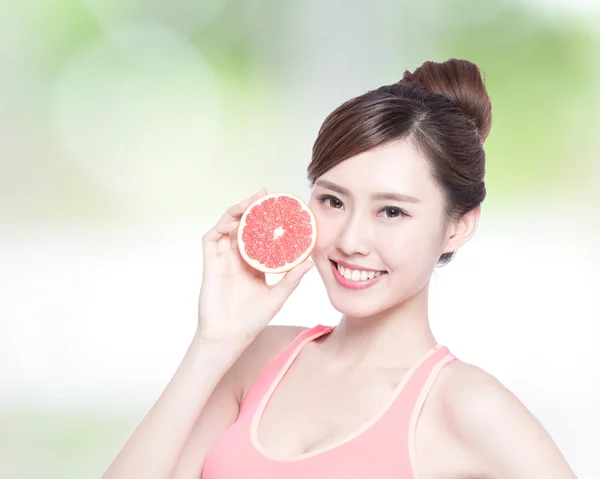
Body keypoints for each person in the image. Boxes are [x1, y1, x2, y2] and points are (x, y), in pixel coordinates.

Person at [102, 59, 577, 479]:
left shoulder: (467, 406)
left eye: (391, 212)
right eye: (332, 200)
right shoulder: (259, 357)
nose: (350, 241)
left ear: (458, 226)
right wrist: (214, 343)